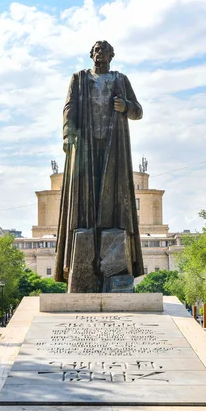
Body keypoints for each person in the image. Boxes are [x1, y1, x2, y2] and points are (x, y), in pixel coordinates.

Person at [55, 40, 144, 292]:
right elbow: (69, 107)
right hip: (85, 144)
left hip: (113, 146)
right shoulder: (79, 79)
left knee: (114, 198)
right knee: (84, 200)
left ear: (111, 56)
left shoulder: (120, 79)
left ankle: (113, 268)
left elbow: (138, 111)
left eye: (104, 51)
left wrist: (126, 106)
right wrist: (67, 134)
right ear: (91, 55)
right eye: (96, 51)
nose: (99, 54)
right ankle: (85, 265)